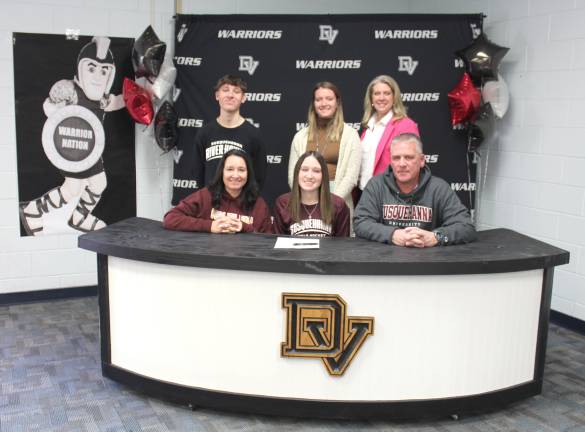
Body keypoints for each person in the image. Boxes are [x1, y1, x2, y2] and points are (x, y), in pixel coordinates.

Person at [19, 36, 125, 235]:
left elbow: (119, 101)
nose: (97, 75)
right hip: (72, 149)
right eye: (91, 68)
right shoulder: (71, 91)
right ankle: (32, 211)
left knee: (99, 183)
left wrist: (141, 93)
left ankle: (79, 216)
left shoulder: (102, 99)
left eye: (104, 70)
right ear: (81, 68)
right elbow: (49, 109)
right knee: (73, 189)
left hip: (91, 151)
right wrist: (56, 102)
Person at [354, 133, 477, 247]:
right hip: (384, 263)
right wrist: (392, 234)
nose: (402, 164)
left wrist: (435, 237)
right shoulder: (377, 185)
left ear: (422, 160)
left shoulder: (438, 188)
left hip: (428, 263)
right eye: (396, 158)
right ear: (391, 161)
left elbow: (466, 227)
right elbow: (361, 222)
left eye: (409, 157)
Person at [288, 82, 360, 219]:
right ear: (313, 104)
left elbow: (351, 177)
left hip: (338, 200)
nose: (323, 103)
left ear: (337, 102)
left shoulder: (350, 135)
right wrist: (307, 201)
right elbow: (293, 175)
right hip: (305, 200)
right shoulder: (300, 136)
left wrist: (332, 203)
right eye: (319, 99)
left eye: (329, 99)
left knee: (338, 241)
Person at [164, 149, 272, 234]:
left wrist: (244, 227)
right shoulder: (205, 196)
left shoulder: (259, 205)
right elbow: (170, 218)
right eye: (230, 169)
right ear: (222, 172)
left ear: (248, 174)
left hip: (245, 260)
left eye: (241, 170)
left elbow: (267, 241)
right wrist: (210, 226)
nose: (235, 175)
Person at [192, 74, 267, 192]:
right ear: (217, 95)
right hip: (211, 203)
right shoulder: (205, 133)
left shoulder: (254, 135)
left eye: (236, 91)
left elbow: (259, 177)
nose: (230, 95)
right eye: (225, 90)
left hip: (241, 204)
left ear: (243, 98)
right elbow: (198, 174)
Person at [358, 75, 419, 192]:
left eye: (386, 93)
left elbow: (413, 164)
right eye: (377, 93)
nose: (381, 98)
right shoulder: (368, 127)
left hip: (391, 194)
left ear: (394, 98)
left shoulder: (405, 125)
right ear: (371, 99)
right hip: (364, 193)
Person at [275, 151, 349, 237]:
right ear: (297, 173)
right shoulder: (283, 203)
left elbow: (343, 247)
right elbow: (278, 245)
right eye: (304, 170)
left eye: (316, 171)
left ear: (323, 175)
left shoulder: (338, 205)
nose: (309, 176)